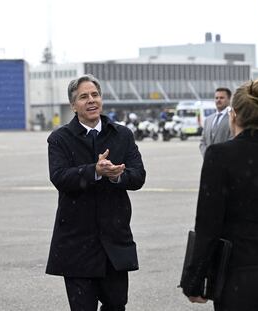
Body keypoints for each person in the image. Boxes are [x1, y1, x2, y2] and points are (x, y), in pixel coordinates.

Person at [181, 78, 258, 311]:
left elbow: (208, 224)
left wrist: (194, 279)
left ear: (233, 115)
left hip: (239, 275)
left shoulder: (219, 155)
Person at [46, 74, 146, 311]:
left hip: (114, 240)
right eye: (83, 97)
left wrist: (117, 175)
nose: (91, 100)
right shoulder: (60, 139)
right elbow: (59, 177)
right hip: (76, 242)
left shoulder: (122, 134)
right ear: (73, 105)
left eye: (95, 95)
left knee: (116, 305)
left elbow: (139, 176)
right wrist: (94, 171)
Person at [199, 87, 232, 157]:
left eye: (221, 98)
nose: (218, 100)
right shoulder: (208, 120)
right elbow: (202, 142)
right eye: (216, 98)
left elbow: (232, 141)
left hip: (225, 162)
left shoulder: (233, 118)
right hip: (208, 163)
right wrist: (207, 155)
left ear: (229, 99)